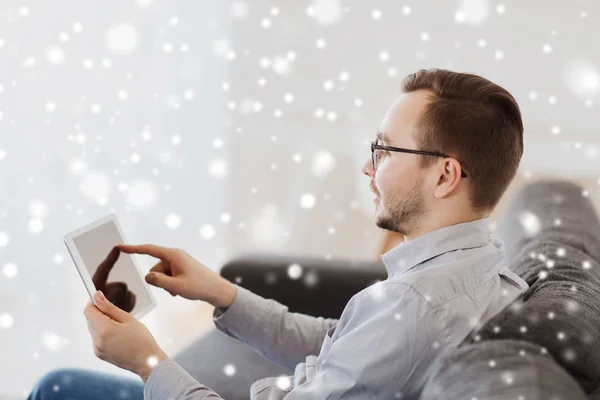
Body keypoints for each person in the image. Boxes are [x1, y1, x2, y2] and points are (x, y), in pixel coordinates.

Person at [27, 68, 529, 399]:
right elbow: (342, 343)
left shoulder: (414, 305)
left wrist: (147, 361)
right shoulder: (481, 267)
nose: (366, 168)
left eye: (385, 151)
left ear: (445, 176)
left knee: (58, 387)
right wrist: (223, 295)